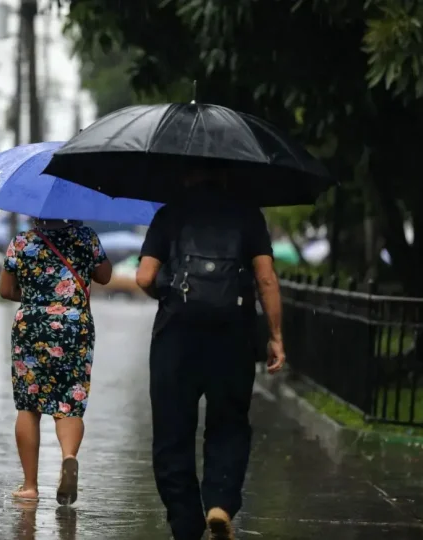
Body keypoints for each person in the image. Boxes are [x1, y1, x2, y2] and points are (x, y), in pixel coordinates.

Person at [135, 171, 285, 540]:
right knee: (230, 424)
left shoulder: (170, 214)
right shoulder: (248, 215)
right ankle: (219, 503)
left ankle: (186, 524)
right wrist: (276, 337)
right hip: (232, 334)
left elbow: (143, 276)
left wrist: (169, 298)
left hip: (176, 336)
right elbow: (266, 279)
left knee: (172, 432)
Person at [0, 217, 112, 505]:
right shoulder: (86, 238)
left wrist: (39, 298)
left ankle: (29, 486)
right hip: (75, 326)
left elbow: (6, 290)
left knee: (28, 406)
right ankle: (69, 457)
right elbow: (105, 276)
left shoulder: (22, 242)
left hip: (32, 326)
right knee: (70, 401)